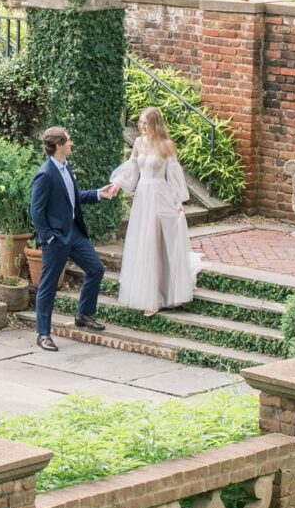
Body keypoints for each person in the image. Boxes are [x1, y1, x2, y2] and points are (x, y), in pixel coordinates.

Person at [109, 107, 201, 316]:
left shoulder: (166, 145)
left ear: (154, 124)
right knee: (144, 242)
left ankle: (159, 297)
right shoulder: (139, 143)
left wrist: (178, 202)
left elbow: (175, 176)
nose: (141, 126)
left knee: (159, 243)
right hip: (143, 196)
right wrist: (117, 184)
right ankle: (147, 294)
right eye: (140, 122)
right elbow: (132, 167)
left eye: (145, 123)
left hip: (161, 196)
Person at [29, 124, 112, 352]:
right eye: (68, 140)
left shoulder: (66, 167)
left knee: (96, 269)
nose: (71, 143)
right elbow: (36, 210)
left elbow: (72, 198)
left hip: (74, 233)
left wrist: (98, 194)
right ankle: (43, 334)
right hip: (56, 239)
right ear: (58, 145)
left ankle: (83, 315)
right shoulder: (45, 174)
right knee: (47, 285)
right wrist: (48, 238)